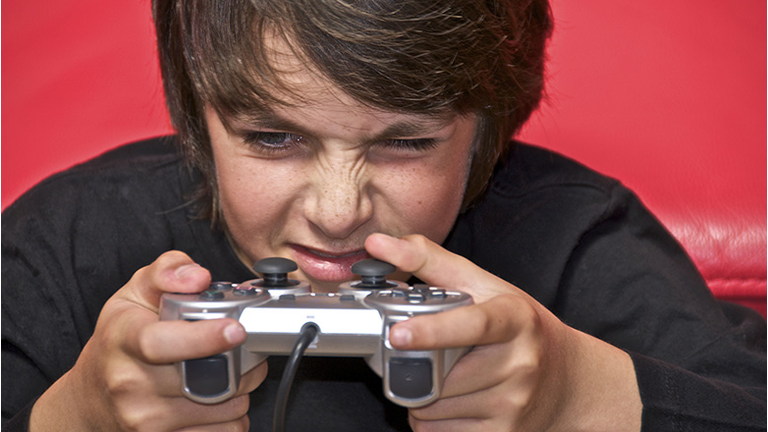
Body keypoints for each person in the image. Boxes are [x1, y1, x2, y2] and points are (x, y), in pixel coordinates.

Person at [2, 0, 765, 430]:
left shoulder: (571, 236)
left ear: (487, 135)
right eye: (272, 138)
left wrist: (584, 398)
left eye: (406, 142)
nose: (337, 214)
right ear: (198, 121)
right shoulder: (68, 241)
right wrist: (71, 420)